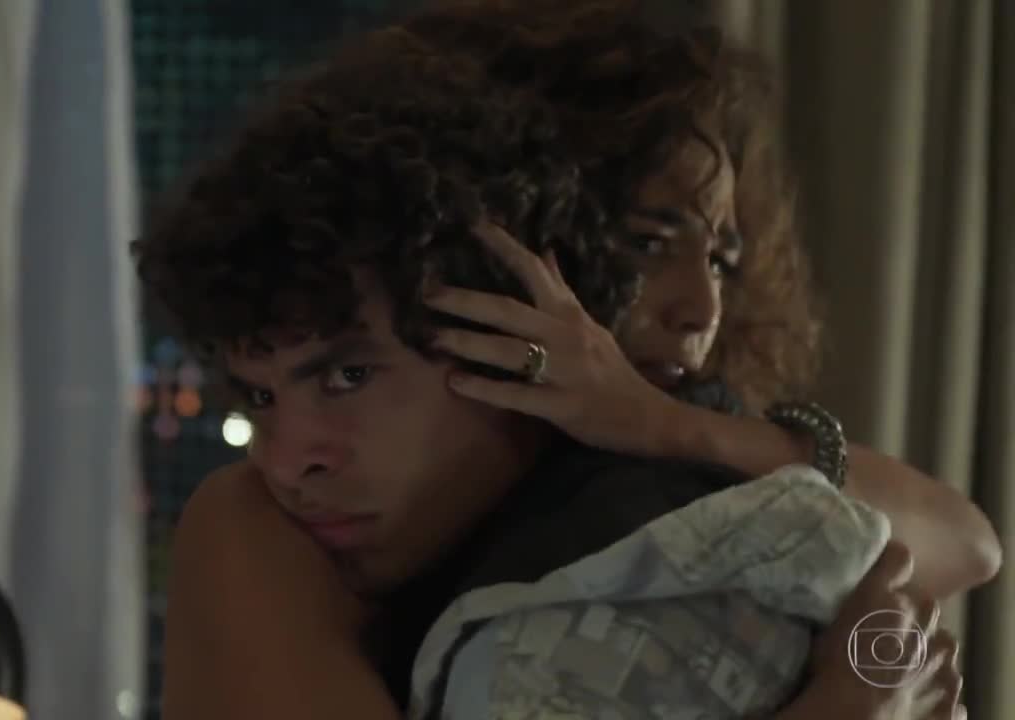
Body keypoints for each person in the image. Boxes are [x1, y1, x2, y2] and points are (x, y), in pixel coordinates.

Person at [136, 3, 998, 718]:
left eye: (720, 260)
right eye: (646, 243)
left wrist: (662, 424)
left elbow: (962, 543)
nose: (700, 308)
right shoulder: (264, 523)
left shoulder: (662, 497)